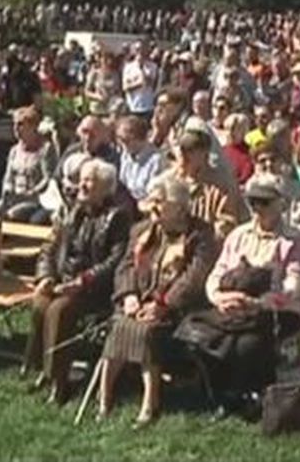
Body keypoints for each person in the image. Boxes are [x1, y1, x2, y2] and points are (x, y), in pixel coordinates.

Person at [180, 174, 300, 420]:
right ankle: (223, 397)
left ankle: (247, 395)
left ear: (281, 203)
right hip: (231, 305)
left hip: (275, 311)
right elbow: (217, 272)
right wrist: (219, 297)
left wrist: (259, 303)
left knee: (245, 345)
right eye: (253, 202)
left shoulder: (295, 239)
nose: (258, 208)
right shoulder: (238, 235)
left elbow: (294, 284)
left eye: (264, 202)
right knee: (194, 335)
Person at [98, 177, 217, 424]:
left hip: (178, 309)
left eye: (158, 204)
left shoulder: (201, 235)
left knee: (146, 332)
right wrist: (129, 295)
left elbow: (193, 279)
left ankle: (149, 404)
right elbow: (125, 266)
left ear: (178, 207)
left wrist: (163, 305)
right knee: (119, 324)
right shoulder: (142, 231)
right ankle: (104, 399)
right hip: (138, 300)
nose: (152, 209)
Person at [25, 159, 133, 405]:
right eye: (81, 179)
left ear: (105, 188)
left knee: (59, 310)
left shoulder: (117, 217)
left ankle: (59, 383)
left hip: (95, 289)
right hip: (63, 280)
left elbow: (114, 262)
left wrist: (82, 281)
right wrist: (45, 276)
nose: (81, 186)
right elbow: (49, 248)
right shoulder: (72, 210)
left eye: (89, 181)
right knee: (41, 303)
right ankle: (42, 369)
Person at [0, 106, 58, 225]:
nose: (16, 128)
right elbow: (8, 177)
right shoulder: (14, 151)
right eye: (14, 124)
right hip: (14, 197)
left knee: (12, 215)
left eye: (20, 124)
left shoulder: (45, 149)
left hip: (36, 200)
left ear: (33, 126)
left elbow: (48, 178)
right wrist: (8, 189)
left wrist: (32, 192)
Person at [115, 114, 164, 203]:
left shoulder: (156, 161)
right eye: (120, 139)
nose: (122, 144)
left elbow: (152, 192)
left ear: (139, 138)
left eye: (126, 140)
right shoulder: (125, 155)